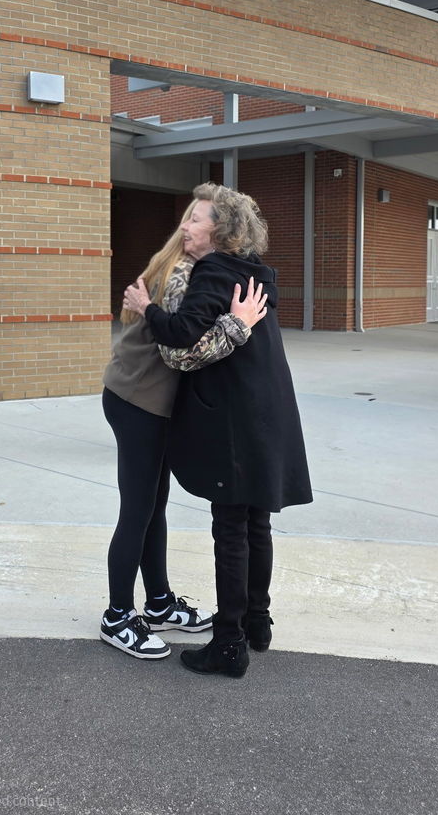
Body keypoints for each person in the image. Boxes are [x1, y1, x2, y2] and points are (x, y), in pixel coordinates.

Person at [123, 183, 312, 678]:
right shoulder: (254, 271)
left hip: (234, 418)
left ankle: (228, 644)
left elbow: (181, 335)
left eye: (195, 219)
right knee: (256, 522)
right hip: (269, 411)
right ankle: (257, 622)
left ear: (221, 229)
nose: (185, 226)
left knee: (230, 528)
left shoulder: (214, 270)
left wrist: (146, 308)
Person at [100, 202, 267, 660]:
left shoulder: (197, 270)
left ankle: (158, 602)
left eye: (195, 218)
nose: (184, 224)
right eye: (187, 217)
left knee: (154, 508)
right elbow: (181, 353)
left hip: (150, 402)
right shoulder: (182, 276)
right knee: (139, 510)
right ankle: (117, 615)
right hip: (139, 401)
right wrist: (238, 324)